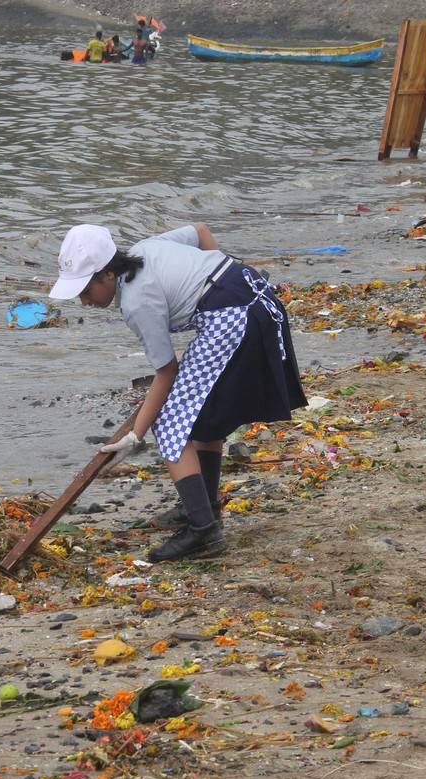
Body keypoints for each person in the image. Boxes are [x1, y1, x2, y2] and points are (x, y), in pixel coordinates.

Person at [48, 224, 307, 562]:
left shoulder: (137, 302)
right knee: (199, 414)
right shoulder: (146, 247)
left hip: (232, 318)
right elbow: (201, 232)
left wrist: (136, 436)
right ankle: (205, 508)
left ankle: (203, 531)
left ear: (108, 273)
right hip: (255, 293)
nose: (84, 301)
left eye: (85, 290)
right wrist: (214, 276)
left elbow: (166, 372)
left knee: (171, 422)